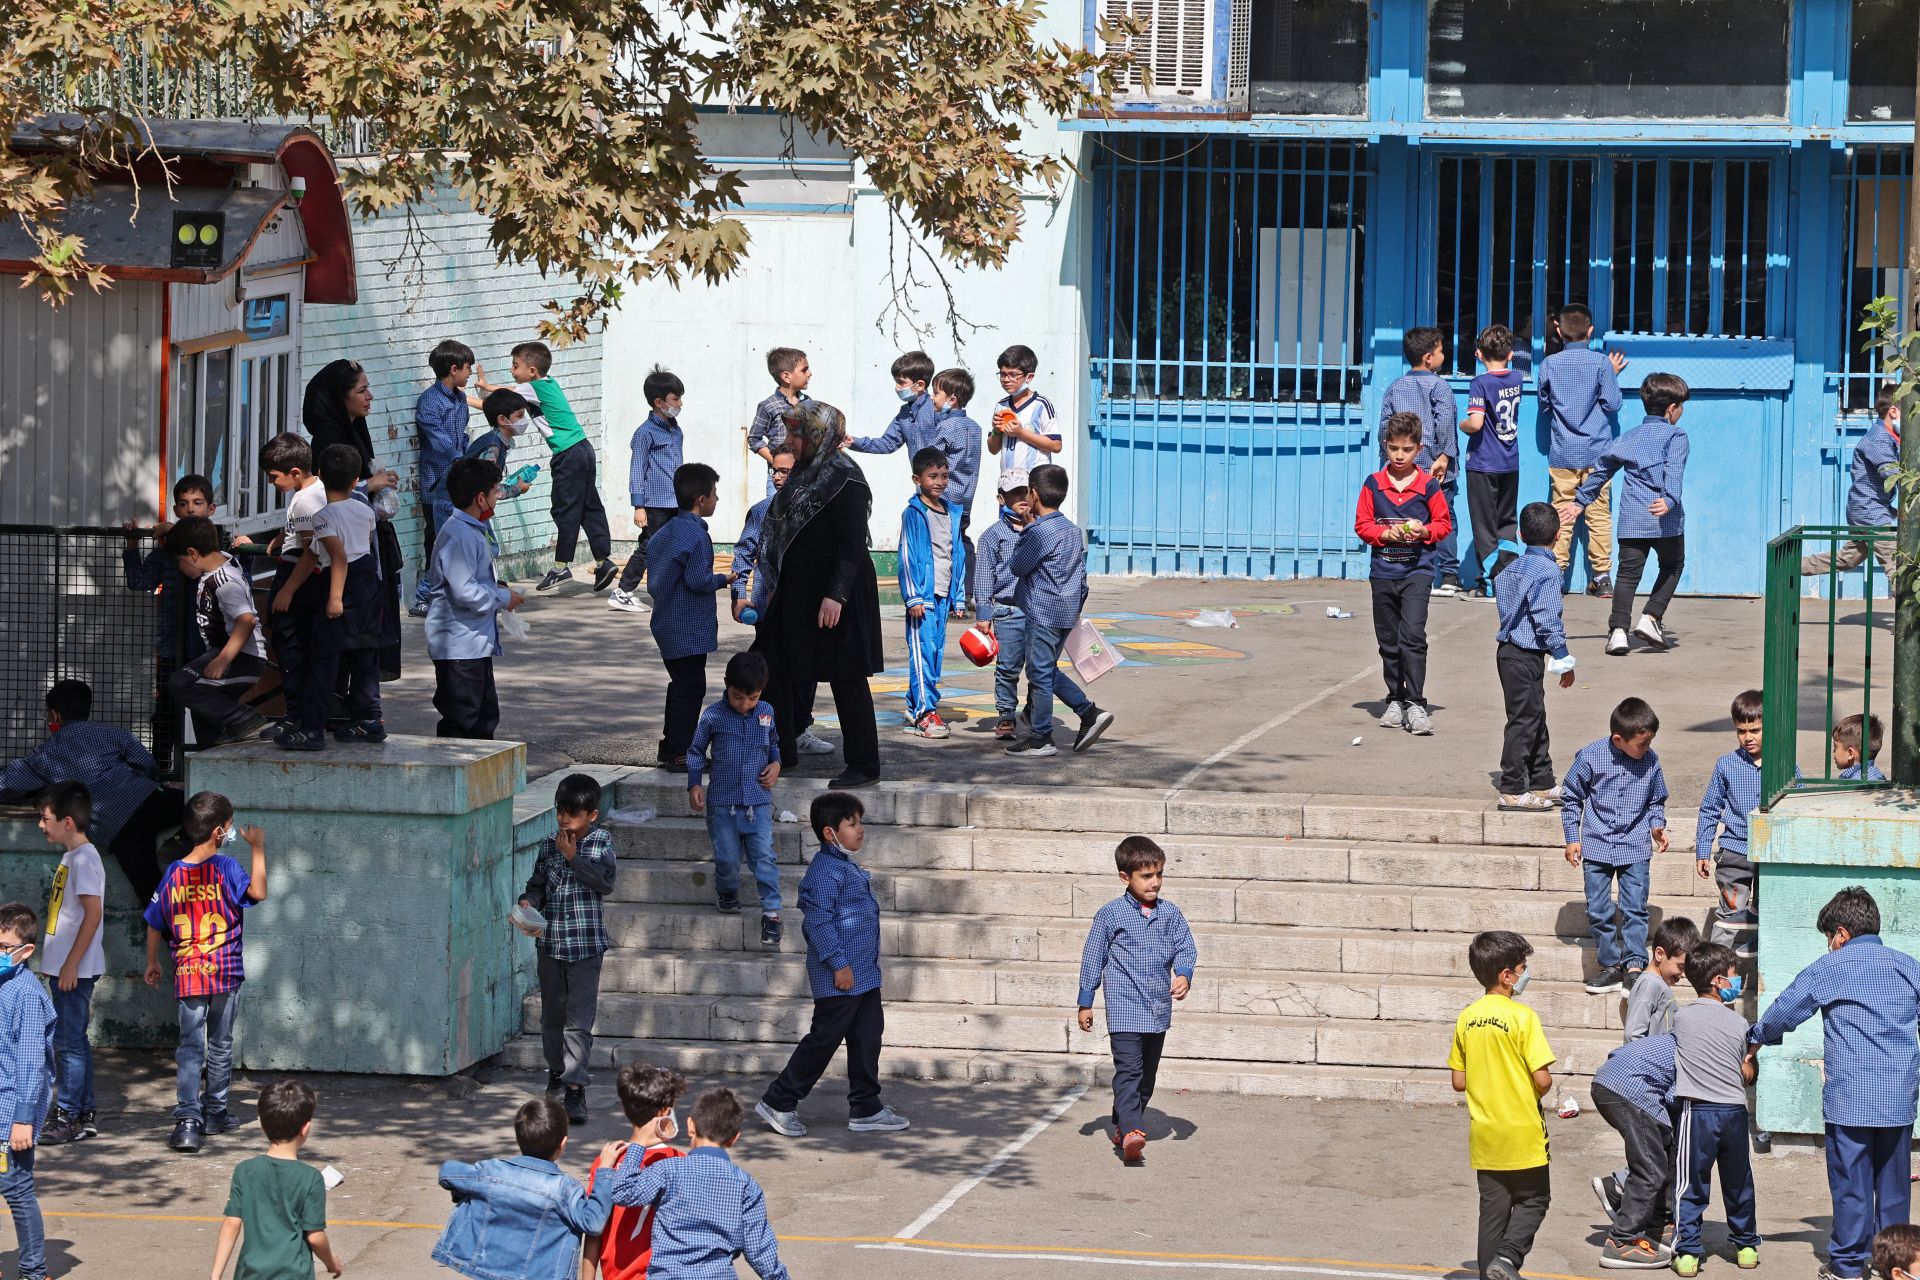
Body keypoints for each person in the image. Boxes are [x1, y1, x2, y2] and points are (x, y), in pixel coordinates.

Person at [1749, 887, 1920, 1280]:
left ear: (1841, 933)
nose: (1829, 945)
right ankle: (1893, 1267)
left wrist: (1755, 1038)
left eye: (1829, 937)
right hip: (1898, 1100)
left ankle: (1846, 1266)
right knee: (1894, 1190)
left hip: (1850, 1101)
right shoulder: (1908, 967)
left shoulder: (1830, 968)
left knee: (1851, 1187)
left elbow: (1784, 1012)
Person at [755, 792, 909, 1138]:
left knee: (867, 1037)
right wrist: (839, 964)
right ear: (830, 833)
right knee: (824, 1038)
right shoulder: (824, 873)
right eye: (852, 824)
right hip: (841, 976)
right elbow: (818, 923)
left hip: (864, 974)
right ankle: (779, 1100)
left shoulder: (843, 867)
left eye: (860, 822)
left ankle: (866, 1107)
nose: (861, 830)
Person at [749, 401, 884, 789]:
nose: (790, 439)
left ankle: (863, 764)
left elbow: (851, 544)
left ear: (818, 435)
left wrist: (835, 596)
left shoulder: (846, 478)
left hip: (836, 593)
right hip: (797, 589)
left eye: (796, 433)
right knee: (771, 663)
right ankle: (781, 752)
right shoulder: (804, 474)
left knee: (847, 675)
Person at [143, 790, 267, 1153]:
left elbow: (154, 921)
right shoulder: (227, 867)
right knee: (220, 1044)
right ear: (217, 832)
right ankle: (215, 1111)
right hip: (224, 975)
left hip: (189, 975)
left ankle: (187, 1120)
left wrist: (152, 961)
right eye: (228, 827)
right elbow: (258, 892)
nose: (230, 832)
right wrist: (257, 847)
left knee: (190, 1047)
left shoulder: (173, 874)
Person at [0, 679, 177, 905]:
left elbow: (7, 783)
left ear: (54, 716)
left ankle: (177, 935)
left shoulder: (43, 756)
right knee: (199, 806)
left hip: (116, 829)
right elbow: (147, 765)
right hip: (148, 798)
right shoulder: (113, 733)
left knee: (151, 893)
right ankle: (185, 840)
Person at [1076, 836, 1197, 1165]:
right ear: (1125, 877)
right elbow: (1092, 958)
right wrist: (1086, 1001)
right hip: (1124, 1009)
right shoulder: (1110, 915)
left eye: (1159, 874)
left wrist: (1183, 974)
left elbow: (1186, 947)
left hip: (1157, 1011)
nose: (1154, 882)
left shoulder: (1170, 914)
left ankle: (1122, 1124)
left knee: (1146, 1076)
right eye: (1146, 876)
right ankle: (1132, 1130)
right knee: (1128, 1071)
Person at [1448, 930, 1554, 1280]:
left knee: (1492, 1213)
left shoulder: (1467, 1017)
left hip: (1485, 1134)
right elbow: (1542, 1080)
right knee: (1534, 1199)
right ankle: (1508, 1259)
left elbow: (1459, 1081)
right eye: (1522, 968)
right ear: (1506, 975)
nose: (1526, 975)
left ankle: (1490, 1273)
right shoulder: (1523, 1018)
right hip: (1523, 1132)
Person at [1561, 373, 1690, 657]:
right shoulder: (1676, 436)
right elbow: (1674, 471)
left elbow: (1602, 470)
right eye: (1681, 405)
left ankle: (1618, 632)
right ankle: (1651, 617)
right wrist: (1669, 499)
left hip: (1633, 518)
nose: (1681, 411)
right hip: (1665, 519)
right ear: (1671, 408)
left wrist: (1581, 501)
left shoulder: (1628, 438)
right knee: (1673, 565)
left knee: (1628, 575)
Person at [432, 1097, 623, 1280]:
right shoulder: (565, 1188)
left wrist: (470, 1197)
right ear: (563, 1144)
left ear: (519, 1138)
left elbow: (447, 1173)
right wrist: (605, 1172)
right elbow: (593, 1222)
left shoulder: (491, 1171)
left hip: (485, 1269)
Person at [610, 1087, 791, 1280]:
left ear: (690, 1126)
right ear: (734, 1138)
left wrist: (638, 1144)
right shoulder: (745, 1185)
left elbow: (622, 1191)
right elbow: (760, 1251)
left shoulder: (669, 1171)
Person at [480, 341, 617, 594]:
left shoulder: (532, 387)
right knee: (589, 506)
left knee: (563, 508)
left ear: (531, 371)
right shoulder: (549, 384)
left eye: (515, 366)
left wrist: (487, 387)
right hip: (583, 449)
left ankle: (560, 566)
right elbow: (500, 408)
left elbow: (506, 396)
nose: (512, 371)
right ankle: (602, 560)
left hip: (567, 453)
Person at [518, 773, 616, 1127]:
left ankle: (576, 1085)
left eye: (572, 814)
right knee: (551, 1019)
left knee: (579, 1020)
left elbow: (605, 883)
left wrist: (574, 857)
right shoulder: (548, 846)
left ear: (591, 815)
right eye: (560, 811)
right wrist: (529, 902)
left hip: (586, 948)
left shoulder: (601, 842)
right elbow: (537, 885)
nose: (564, 820)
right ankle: (557, 1072)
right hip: (552, 945)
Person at [273, 443, 385, 750]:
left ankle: (311, 728)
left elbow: (337, 557)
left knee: (324, 659)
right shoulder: (365, 509)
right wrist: (289, 590)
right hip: (368, 586)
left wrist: (334, 598)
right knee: (364, 656)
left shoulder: (322, 517)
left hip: (341, 587)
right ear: (354, 481)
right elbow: (331, 551)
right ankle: (370, 721)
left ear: (321, 475)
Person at [1592, 914, 1699, 1228]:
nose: (1682, 974)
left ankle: (1622, 1191)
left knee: (1661, 1147)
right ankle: (1621, 1190)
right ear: (1660, 954)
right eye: (1680, 967)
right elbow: (1634, 1034)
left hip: (1655, 1079)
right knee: (1657, 1150)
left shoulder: (1659, 985)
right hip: (1644, 1080)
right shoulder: (1649, 984)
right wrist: (1648, 1062)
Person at [1561, 697, 1669, 996]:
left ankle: (1635, 966)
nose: (1647, 749)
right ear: (1619, 739)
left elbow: (1656, 800)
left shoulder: (1651, 761)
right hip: (1597, 846)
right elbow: (1571, 797)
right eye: (1642, 744)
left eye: (1649, 743)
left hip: (1634, 845)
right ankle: (1610, 965)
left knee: (1635, 908)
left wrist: (1657, 826)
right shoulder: (1590, 757)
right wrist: (1572, 837)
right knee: (1598, 909)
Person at [301, 361, 403, 679]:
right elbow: (324, 494)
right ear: (339, 398)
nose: (369, 396)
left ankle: (362, 705)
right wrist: (370, 485)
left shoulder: (354, 428)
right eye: (361, 391)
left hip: (368, 542)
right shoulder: (328, 439)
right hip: (348, 552)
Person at [850, 361, 982, 605]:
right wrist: (854, 442)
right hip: (963, 494)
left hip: (939, 495)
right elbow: (887, 443)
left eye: (901, 382)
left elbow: (934, 458)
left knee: (936, 542)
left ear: (920, 385)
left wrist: (926, 477)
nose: (933, 398)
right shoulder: (968, 425)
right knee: (957, 539)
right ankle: (965, 593)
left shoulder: (940, 418)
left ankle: (937, 592)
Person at [1006, 463, 1115, 758]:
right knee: (1046, 671)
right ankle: (1087, 713)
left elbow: (1018, 566)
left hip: (1043, 612)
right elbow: (1080, 574)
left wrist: (1026, 529)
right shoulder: (1071, 530)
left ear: (1033, 495)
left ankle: (1044, 736)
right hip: (1067, 610)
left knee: (1039, 674)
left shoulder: (1038, 532)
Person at [731, 448, 834, 758]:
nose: (777, 476)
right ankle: (770, 735)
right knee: (771, 674)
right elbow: (743, 555)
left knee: (806, 671)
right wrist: (739, 596)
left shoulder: (817, 511)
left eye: (785, 471)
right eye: (774, 470)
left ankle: (800, 728)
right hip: (769, 608)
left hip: (807, 607)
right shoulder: (762, 511)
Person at [1357, 412, 1455, 737]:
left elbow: (1443, 525)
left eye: (1407, 449)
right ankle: (1395, 698)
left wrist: (1423, 530)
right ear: (1385, 446)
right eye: (1394, 448)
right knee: (1388, 641)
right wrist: (1386, 535)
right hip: (1383, 573)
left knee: (1412, 635)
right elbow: (1363, 525)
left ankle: (1415, 703)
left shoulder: (1428, 486)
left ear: (1419, 449)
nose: (1400, 456)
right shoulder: (1374, 484)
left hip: (1417, 572)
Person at [1670, 942, 1760, 1278]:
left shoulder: (1679, 1017)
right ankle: (1747, 1245)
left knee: (1691, 1184)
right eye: (1735, 976)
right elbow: (1745, 1070)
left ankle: (1689, 1251)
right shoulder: (1739, 1023)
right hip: (1734, 1112)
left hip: (1697, 1112)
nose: (1738, 982)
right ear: (1720, 981)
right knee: (1739, 1182)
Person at [645, 464, 738, 769]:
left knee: (681, 684)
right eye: (714, 494)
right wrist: (723, 579)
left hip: (666, 622)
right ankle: (680, 752)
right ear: (701, 499)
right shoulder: (697, 537)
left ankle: (671, 746)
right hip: (687, 627)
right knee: (691, 688)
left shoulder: (666, 530)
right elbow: (698, 581)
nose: (717, 499)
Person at [688, 652, 783, 947]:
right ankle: (727, 891)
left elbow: (774, 744)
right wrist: (694, 784)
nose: (745, 704)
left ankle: (771, 913)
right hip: (722, 804)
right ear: (727, 685)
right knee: (727, 858)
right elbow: (695, 752)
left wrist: (776, 765)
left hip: (758, 802)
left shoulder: (766, 712)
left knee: (764, 857)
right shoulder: (713, 715)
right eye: (738, 696)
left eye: (752, 697)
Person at [426, 458, 524, 740]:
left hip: (472, 644)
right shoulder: (459, 535)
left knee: (483, 718)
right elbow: (465, 591)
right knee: (463, 719)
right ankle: (454, 779)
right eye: (495, 492)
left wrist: (497, 587)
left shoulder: (469, 531)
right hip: (458, 646)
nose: (498, 497)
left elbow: (472, 580)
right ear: (481, 498)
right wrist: (503, 597)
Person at [209, 1078, 343, 1280]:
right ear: (305, 1129)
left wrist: (215, 1276)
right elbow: (315, 1237)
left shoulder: (245, 1171)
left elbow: (231, 1224)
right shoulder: (310, 1178)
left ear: (262, 1124)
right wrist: (331, 1263)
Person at [32, 784, 104, 1147]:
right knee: (74, 1042)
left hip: (75, 970)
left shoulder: (86, 859)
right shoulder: (72, 857)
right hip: (65, 968)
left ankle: (68, 1116)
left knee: (67, 1044)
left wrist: (72, 964)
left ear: (68, 821)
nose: (41, 825)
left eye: (45, 819)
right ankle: (84, 1112)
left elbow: (93, 914)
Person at [1492, 502, 1577, 810]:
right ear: (1557, 535)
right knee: (1523, 721)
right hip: (1525, 655)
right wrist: (1563, 659)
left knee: (1534, 716)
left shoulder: (1510, 568)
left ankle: (1541, 781)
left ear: (1520, 534)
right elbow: (1547, 618)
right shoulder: (1549, 571)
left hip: (1509, 654)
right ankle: (1512, 788)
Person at [1538, 304, 1627, 593]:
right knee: (1598, 514)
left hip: (1563, 451)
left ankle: (1557, 574)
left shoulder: (1549, 364)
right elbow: (1613, 404)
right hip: (1598, 453)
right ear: (1590, 331)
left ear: (1558, 331)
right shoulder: (1601, 364)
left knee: (1562, 512)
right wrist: (1611, 375)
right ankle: (1602, 578)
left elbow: (1544, 404)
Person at [164, 516, 272, 748]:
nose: (179, 568)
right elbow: (193, 531)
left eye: (179, 561)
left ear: (192, 553)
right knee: (200, 708)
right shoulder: (220, 562)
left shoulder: (225, 581)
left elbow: (246, 621)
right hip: (223, 652)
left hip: (243, 658)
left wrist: (223, 661)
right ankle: (212, 753)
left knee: (180, 684)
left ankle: (247, 721)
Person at [121, 472, 248, 661]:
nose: (190, 509)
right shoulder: (167, 550)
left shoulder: (220, 544)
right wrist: (132, 545)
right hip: (173, 643)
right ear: (176, 509)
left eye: (197, 503)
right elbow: (140, 582)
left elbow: (243, 589)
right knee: (172, 687)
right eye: (183, 503)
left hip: (213, 646)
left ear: (211, 508)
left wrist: (246, 552)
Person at [583, 1063, 688, 1280]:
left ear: (624, 1110)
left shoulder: (606, 1162)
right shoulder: (680, 1162)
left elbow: (594, 1229)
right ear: (666, 1112)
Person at [1378, 326, 1461, 595]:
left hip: (1404, 472)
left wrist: (1388, 461)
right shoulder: (1440, 386)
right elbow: (1445, 422)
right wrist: (1445, 456)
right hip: (1436, 469)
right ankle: (1448, 574)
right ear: (1428, 357)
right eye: (1440, 351)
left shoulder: (1395, 387)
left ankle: (1406, 567)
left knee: (1402, 517)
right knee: (1443, 516)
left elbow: (1385, 428)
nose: (1443, 355)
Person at [1589, 1030, 1679, 1269]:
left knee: (1667, 1150)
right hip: (1632, 1090)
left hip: (1607, 1081)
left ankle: (1658, 1225)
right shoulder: (1697, 1052)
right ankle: (1621, 1242)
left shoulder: (1677, 1037)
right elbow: (1674, 1099)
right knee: (1650, 1169)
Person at [261, 432, 328, 736]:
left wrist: (287, 590)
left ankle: (296, 717)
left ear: (295, 473)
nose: (272, 483)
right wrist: (280, 536)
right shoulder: (314, 493)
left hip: (298, 580)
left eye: (274, 477)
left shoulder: (305, 501)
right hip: (299, 574)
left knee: (290, 647)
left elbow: (310, 550)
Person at [0, 902, 54, 1280]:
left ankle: (33, 1272)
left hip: (9, 1114)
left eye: (4, 947)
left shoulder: (26, 993)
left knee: (16, 1190)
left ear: (26, 950)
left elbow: (31, 1063)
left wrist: (22, 1120)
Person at [899, 446, 968, 739]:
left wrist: (959, 596)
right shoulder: (914, 514)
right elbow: (906, 556)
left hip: (942, 596)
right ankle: (925, 714)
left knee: (935, 655)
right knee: (922, 655)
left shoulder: (951, 513)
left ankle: (914, 709)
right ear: (917, 479)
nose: (939, 482)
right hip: (923, 598)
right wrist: (913, 596)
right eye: (932, 476)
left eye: (943, 475)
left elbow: (958, 556)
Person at [1696, 691, 1770, 958]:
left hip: (1770, 854)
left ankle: (1759, 946)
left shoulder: (1783, 766)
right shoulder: (1726, 765)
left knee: (1769, 908)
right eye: (1741, 731)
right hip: (1735, 853)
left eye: (1755, 730)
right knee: (1730, 914)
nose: (1748, 737)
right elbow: (1709, 809)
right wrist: (1702, 850)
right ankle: (1715, 968)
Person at [1801, 387, 1901, 582]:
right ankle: (1910, 610)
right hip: (1870, 511)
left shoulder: (1887, 437)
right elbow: (1894, 474)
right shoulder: (1878, 439)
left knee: (1849, 559)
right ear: (1893, 412)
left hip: (1865, 508)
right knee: (1898, 566)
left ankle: (1796, 565)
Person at [610, 367, 688, 614]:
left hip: (675, 500)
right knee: (649, 546)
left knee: (671, 547)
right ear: (659, 402)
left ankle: (667, 590)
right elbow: (637, 470)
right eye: (675, 399)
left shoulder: (675, 430)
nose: (680, 404)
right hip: (655, 503)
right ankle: (623, 591)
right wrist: (639, 506)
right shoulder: (645, 433)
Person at [413, 339, 478, 615]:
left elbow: (460, 434)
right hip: (436, 484)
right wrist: (458, 458)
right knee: (438, 541)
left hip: (458, 483)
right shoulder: (430, 402)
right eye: (468, 368)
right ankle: (423, 598)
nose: (470, 374)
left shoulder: (460, 398)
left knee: (451, 540)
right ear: (454, 369)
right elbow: (439, 440)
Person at [1464, 324, 1526, 592]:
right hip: (1509, 461)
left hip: (1483, 462)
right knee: (1507, 522)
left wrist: (1461, 424)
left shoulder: (1480, 383)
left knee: (1484, 525)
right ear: (1511, 354)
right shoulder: (1517, 379)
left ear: (1478, 354)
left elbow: (1476, 423)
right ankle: (1510, 578)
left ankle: (1490, 584)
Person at [973, 469, 1033, 740]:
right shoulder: (992, 536)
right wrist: (984, 614)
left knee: (1040, 666)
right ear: (1001, 498)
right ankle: (1006, 715)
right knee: (1008, 666)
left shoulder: (1041, 529)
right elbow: (984, 576)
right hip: (1008, 610)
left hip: (1039, 609)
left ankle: (1033, 711)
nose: (1022, 498)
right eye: (1014, 493)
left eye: (1025, 492)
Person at [987, 344, 1062, 481]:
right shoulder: (1001, 406)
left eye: (1013, 375)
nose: (1006, 379)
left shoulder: (1041, 405)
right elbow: (993, 449)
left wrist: (1021, 433)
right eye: (1003, 374)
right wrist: (996, 430)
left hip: (1034, 482)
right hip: (1007, 482)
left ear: (1029, 377)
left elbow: (1056, 445)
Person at [746, 348, 811, 494]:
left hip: (803, 475)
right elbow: (754, 438)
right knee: (776, 512)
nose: (809, 373)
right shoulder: (768, 405)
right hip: (778, 477)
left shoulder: (808, 403)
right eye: (804, 370)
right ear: (786, 377)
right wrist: (777, 462)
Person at [1833, 713, 1887, 781]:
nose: (1834, 752)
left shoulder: (1854, 783)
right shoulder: (1878, 775)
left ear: (1850, 753)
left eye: (1835, 747)